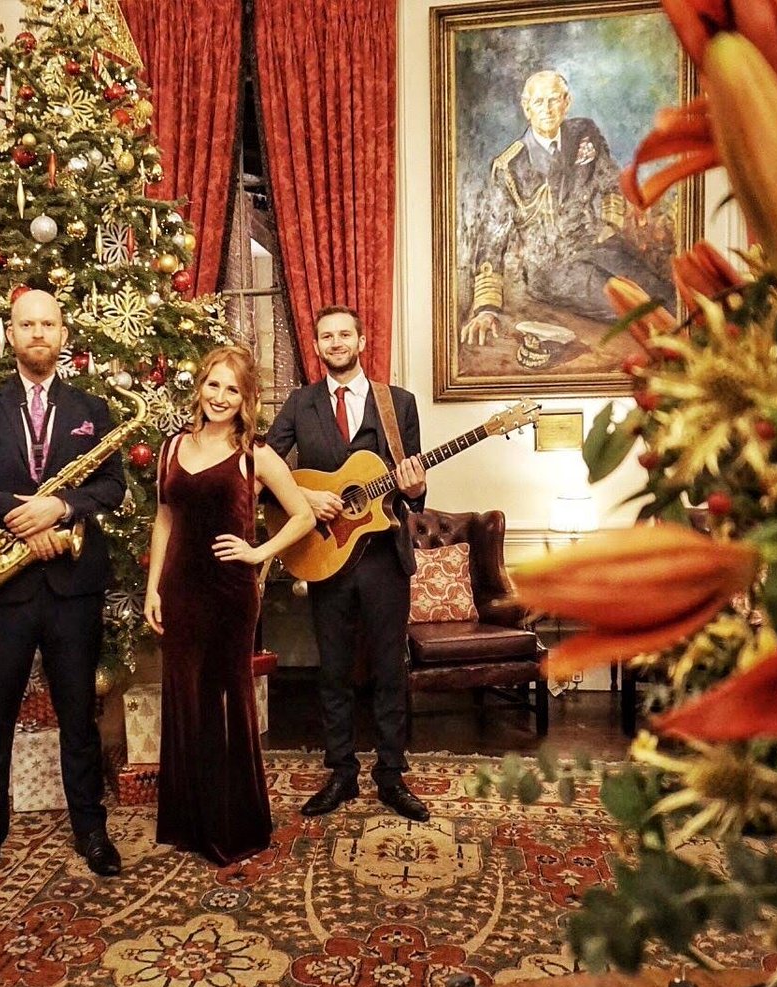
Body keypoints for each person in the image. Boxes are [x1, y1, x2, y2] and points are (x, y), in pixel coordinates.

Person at [0, 289, 126, 897]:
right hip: (3, 591)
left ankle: (91, 831)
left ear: (63, 331)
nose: (38, 333)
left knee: (79, 717)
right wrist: (22, 518)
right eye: (27, 324)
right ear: (10, 331)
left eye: (48, 323)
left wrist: (61, 507)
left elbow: (112, 486)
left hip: (73, 589)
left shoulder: (92, 407)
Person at [143, 346, 313, 863]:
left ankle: (234, 826)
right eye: (213, 385)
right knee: (183, 697)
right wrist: (153, 587)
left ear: (247, 400)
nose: (220, 397)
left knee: (225, 703)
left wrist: (258, 553)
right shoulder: (172, 448)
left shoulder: (255, 454)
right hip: (179, 588)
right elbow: (164, 520)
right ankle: (188, 821)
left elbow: (303, 515)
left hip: (229, 593)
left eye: (232, 390)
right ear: (200, 387)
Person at [265, 306, 430, 822]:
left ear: (361, 340)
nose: (335, 343)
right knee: (332, 670)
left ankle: (391, 775)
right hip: (325, 552)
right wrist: (305, 499)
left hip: (383, 558)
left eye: (344, 334)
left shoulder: (397, 402)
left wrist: (417, 488)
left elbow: (414, 485)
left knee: (388, 669)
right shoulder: (300, 403)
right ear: (316, 346)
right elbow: (263, 463)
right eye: (326, 337)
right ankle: (340, 772)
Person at [461, 69, 674, 346]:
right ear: (527, 108)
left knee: (665, 294)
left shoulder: (584, 133)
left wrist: (609, 224)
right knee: (632, 305)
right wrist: (486, 307)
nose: (548, 109)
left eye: (554, 100)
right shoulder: (510, 166)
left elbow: (610, 179)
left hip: (598, 246)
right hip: (551, 268)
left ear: (567, 102)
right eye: (539, 102)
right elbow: (493, 236)